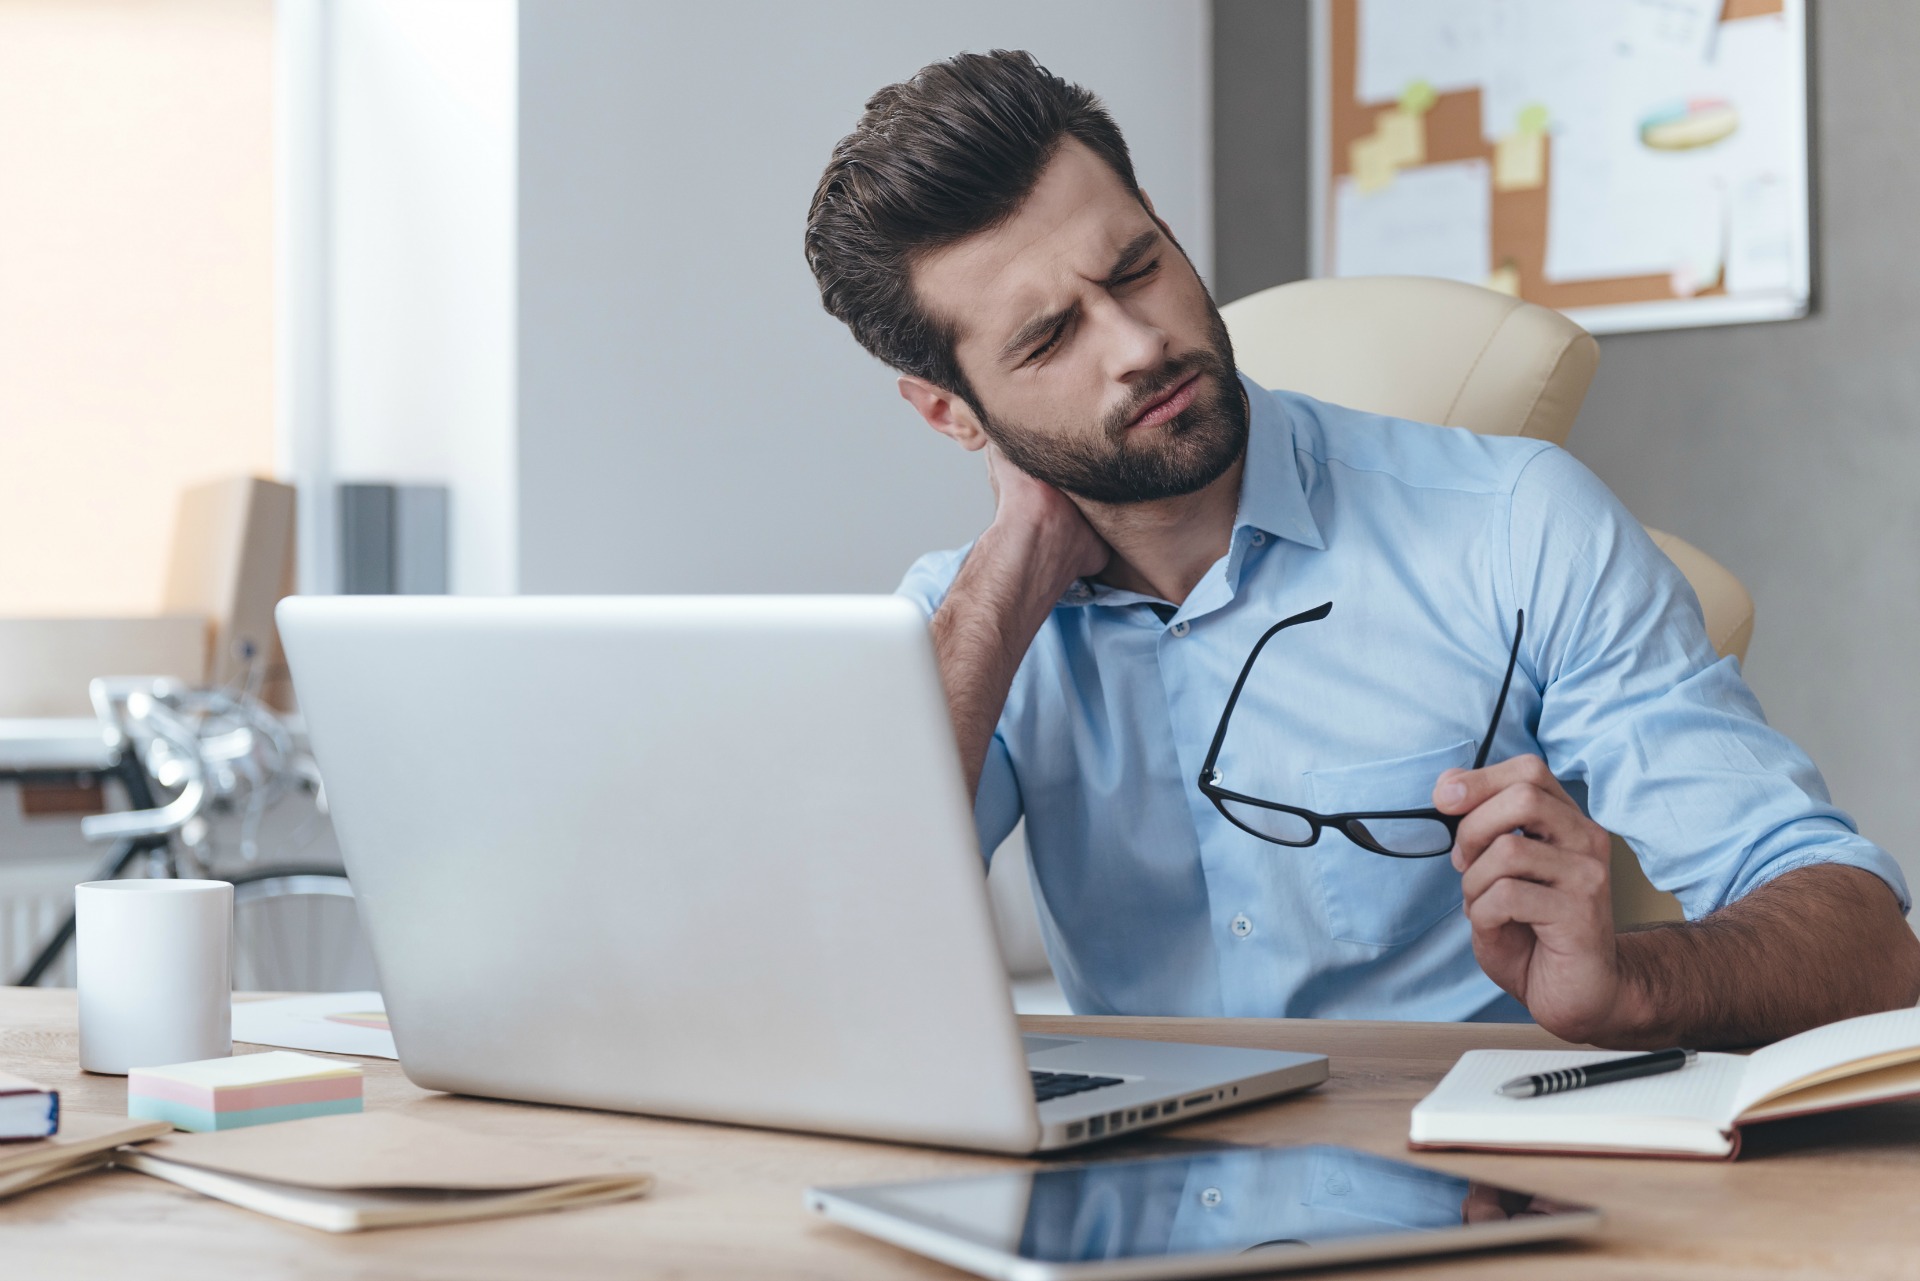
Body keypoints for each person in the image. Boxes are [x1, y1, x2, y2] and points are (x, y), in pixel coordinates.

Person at [802, 50, 1919, 1048]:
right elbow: (829, 973)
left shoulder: (1517, 524)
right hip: (1134, 1213)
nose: (1141, 344)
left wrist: (1629, 984)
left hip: (1474, 1200)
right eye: (1050, 337)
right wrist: (1006, 578)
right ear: (953, 413)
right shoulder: (967, 624)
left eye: (1138, 267)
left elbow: (1868, 946)